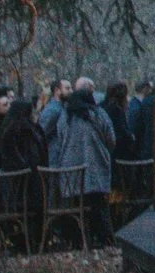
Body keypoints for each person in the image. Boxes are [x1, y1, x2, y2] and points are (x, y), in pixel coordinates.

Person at [38, 77, 119, 245]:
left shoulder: (65, 117)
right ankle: (104, 240)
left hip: (70, 175)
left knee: (76, 209)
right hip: (95, 171)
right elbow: (111, 139)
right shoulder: (98, 114)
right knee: (98, 206)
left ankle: (78, 240)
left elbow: (59, 138)